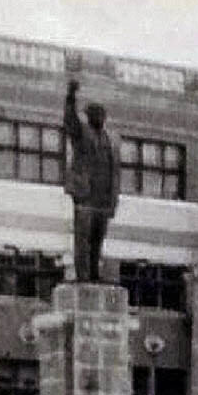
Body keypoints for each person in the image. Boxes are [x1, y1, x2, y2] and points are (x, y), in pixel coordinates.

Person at [63, 79, 120, 283]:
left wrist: (113, 201)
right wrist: (71, 97)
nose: (99, 118)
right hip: (85, 198)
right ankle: (83, 275)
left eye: (101, 115)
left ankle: (94, 273)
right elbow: (70, 120)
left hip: (102, 200)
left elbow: (115, 173)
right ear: (88, 116)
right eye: (94, 114)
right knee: (83, 240)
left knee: (97, 241)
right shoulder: (81, 134)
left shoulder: (109, 140)